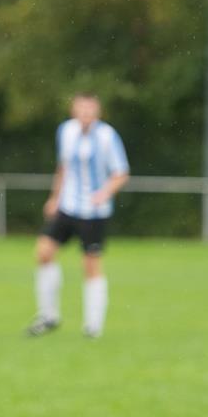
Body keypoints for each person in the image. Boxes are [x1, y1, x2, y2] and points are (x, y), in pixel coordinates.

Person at [27, 93, 129, 338]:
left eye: (90, 109)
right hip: (67, 207)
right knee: (43, 252)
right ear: (74, 110)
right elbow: (62, 167)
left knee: (90, 266)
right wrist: (54, 197)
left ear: (97, 112)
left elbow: (121, 173)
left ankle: (93, 326)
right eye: (81, 109)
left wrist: (104, 193)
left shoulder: (107, 136)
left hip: (94, 212)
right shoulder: (66, 131)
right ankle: (48, 316)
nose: (85, 114)